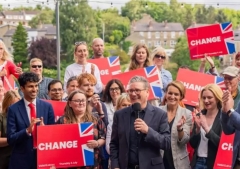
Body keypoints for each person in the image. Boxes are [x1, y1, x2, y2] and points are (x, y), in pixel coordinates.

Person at [110, 76, 170, 169]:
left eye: (137, 90)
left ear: (147, 92)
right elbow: (114, 144)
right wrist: (115, 165)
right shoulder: (120, 115)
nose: (133, 94)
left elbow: (166, 143)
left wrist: (148, 131)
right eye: (130, 90)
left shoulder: (160, 114)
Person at [7, 72, 55, 169]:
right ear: (22, 88)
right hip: (21, 161)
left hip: (43, 159)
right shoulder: (13, 109)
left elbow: (54, 135)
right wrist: (27, 131)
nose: (35, 89)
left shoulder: (47, 106)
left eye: (36, 86)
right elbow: (11, 139)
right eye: (30, 86)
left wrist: (45, 130)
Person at [56, 90, 106, 169]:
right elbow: (56, 141)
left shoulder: (95, 118)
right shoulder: (62, 121)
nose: (81, 103)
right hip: (69, 164)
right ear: (70, 103)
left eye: (83, 100)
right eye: (77, 101)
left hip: (91, 164)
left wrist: (97, 143)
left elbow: (103, 137)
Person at [160, 81, 192, 169]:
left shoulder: (187, 113)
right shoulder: (157, 111)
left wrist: (179, 129)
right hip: (160, 160)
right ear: (166, 94)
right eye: (170, 93)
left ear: (181, 96)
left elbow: (184, 141)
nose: (172, 97)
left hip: (179, 163)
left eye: (176, 94)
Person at [190, 84, 223, 169]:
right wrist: (197, 129)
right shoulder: (199, 115)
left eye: (209, 97)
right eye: (204, 97)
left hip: (214, 163)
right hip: (197, 162)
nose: (206, 100)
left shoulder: (223, 118)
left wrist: (207, 129)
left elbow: (222, 145)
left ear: (217, 98)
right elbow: (193, 144)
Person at [0, 90, 21, 169]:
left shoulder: (24, 117)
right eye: (13, 105)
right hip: (5, 160)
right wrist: (14, 138)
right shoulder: (1, 118)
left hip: (20, 159)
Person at [221, 83, 240, 169]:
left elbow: (232, 113)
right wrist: (225, 110)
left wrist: (230, 111)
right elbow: (228, 130)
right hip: (236, 161)